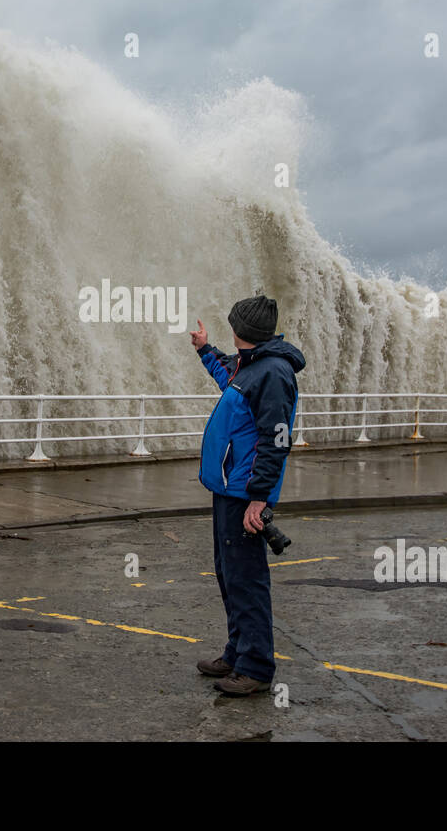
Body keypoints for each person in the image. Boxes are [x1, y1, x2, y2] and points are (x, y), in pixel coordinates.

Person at [189, 294, 305, 696]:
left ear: (240, 329)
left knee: (247, 580)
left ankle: (255, 667)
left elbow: (276, 441)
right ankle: (237, 653)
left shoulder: (272, 373)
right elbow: (228, 377)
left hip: (244, 494)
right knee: (229, 575)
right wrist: (205, 350)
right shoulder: (253, 366)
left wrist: (259, 498)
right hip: (229, 489)